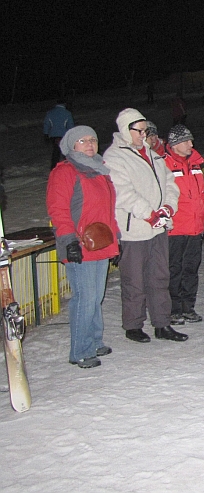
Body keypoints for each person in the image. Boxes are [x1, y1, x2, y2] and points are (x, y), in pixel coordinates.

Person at [103, 108, 188, 343]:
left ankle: (162, 322)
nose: (143, 135)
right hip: (135, 229)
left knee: (159, 277)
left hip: (158, 227)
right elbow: (123, 193)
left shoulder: (153, 154)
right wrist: (149, 214)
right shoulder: (115, 157)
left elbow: (170, 183)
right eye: (139, 131)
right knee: (134, 280)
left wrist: (168, 207)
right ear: (125, 130)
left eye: (145, 131)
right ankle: (133, 324)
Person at [46, 126, 119, 368]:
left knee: (96, 297)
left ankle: (94, 341)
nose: (89, 144)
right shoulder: (65, 172)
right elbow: (58, 210)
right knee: (85, 298)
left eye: (93, 139)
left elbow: (108, 210)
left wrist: (116, 238)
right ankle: (80, 350)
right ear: (71, 146)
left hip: (100, 242)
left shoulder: (100, 170)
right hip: (79, 244)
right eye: (82, 140)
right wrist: (69, 241)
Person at [163, 125, 204, 325]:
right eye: (186, 141)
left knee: (191, 268)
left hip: (195, 226)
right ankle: (173, 309)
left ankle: (188, 307)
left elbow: (201, 193)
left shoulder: (196, 163)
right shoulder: (164, 164)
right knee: (174, 269)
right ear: (175, 144)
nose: (191, 144)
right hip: (176, 227)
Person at [44, 99, 75, 170]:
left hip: (53, 135)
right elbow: (70, 125)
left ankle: (54, 168)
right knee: (65, 152)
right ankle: (68, 167)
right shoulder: (67, 113)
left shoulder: (50, 113)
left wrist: (46, 133)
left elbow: (46, 124)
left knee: (56, 151)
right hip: (64, 135)